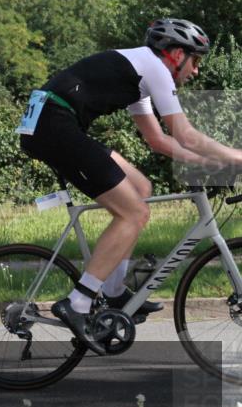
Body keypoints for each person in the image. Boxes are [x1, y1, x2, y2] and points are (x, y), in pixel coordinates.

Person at [18, 18, 242, 354]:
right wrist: (237, 156)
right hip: (53, 125)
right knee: (133, 214)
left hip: (53, 123)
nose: (196, 71)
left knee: (140, 188)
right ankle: (78, 302)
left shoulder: (138, 74)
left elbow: (159, 141)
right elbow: (186, 134)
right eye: (195, 61)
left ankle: (113, 290)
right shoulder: (154, 69)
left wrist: (211, 162)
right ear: (176, 54)